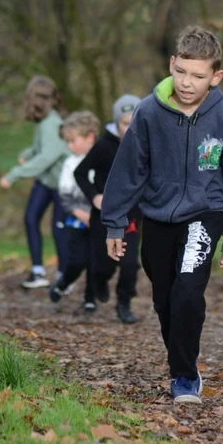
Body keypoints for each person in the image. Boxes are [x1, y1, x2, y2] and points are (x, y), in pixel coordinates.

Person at [102, 25, 223, 404]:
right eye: (182, 71)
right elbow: (128, 170)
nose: (187, 83)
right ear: (172, 64)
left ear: (215, 77)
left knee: (187, 292)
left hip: (205, 213)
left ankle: (184, 376)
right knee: (165, 300)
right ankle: (181, 357)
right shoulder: (149, 111)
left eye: (198, 76)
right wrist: (114, 222)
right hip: (156, 216)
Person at [74, 94, 143, 324]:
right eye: (125, 122)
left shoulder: (145, 145)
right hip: (103, 216)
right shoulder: (103, 146)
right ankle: (99, 280)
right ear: (116, 122)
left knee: (130, 264)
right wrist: (94, 196)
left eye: (135, 121)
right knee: (104, 263)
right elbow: (80, 173)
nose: (130, 127)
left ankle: (124, 305)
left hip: (132, 215)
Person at [0, 76, 69, 290]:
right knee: (31, 219)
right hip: (45, 182)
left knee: (59, 231)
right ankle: (38, 271)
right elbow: (41, 148)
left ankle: (64, 275)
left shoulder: (53, 123)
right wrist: (27, 153)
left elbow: (47, 157)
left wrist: (14, 174)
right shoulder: (45, 121)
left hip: (60, 186)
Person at [48, 111, 101, 313]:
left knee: (95, 260)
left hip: (98, 222)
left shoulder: (102, 160)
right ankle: (63, 283)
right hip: (77, 221)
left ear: (89, 137)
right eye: (67, 142)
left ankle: (90, 298)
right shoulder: (70, 164)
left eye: (73, 141)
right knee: (77, 260)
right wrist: (81, 213)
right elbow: (64, 197)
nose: (70, 146)